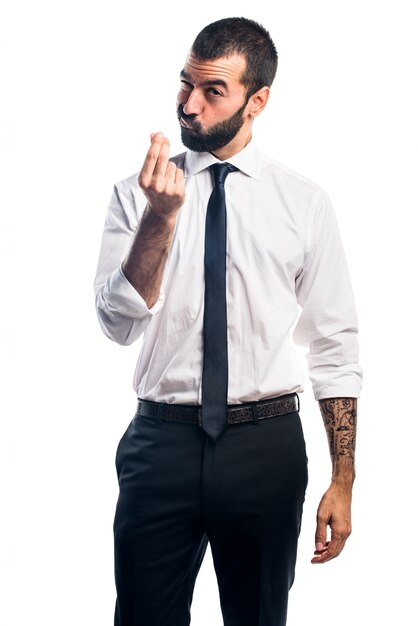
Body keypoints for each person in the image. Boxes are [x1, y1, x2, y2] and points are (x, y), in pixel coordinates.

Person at [93, 16, 362, 626]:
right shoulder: (136, 195)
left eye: (213, 91)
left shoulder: (304, 203)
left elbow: (334, 347)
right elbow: (116, 324)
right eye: (185, 83)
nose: (189, 105)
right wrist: (159, 221)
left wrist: (342, 478)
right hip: (161, 445)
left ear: (257, 101)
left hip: (265, 447)